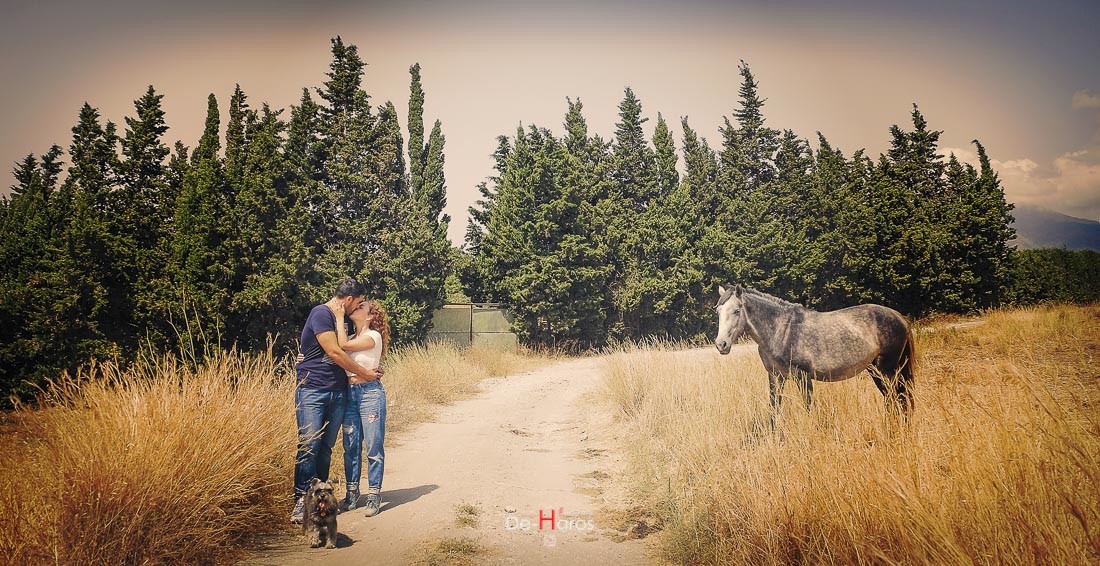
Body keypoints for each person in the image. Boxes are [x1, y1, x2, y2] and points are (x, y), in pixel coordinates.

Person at [291, 279, 383, 523]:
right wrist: (365, 373)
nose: (359, 307)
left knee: (326, 449)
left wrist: (367, 371)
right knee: (309, 446)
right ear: (350, 300)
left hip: (340, 392)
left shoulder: (348, 326)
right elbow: (334, 351)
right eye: (359, 302)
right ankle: (301, 500)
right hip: (313, 390)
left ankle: (318, 501)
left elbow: (353, 350)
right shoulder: (321, 313)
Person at [336, 299, 390, 517]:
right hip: (350, 394)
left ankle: (374, 496)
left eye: (361, 307)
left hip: (370, 393)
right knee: (350, 446)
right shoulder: (350, 336)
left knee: (373, 448)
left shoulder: (373, 336)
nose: (356, 309)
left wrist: (339, 317)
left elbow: (343, 347)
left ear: (369, 316)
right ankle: (351, 493)